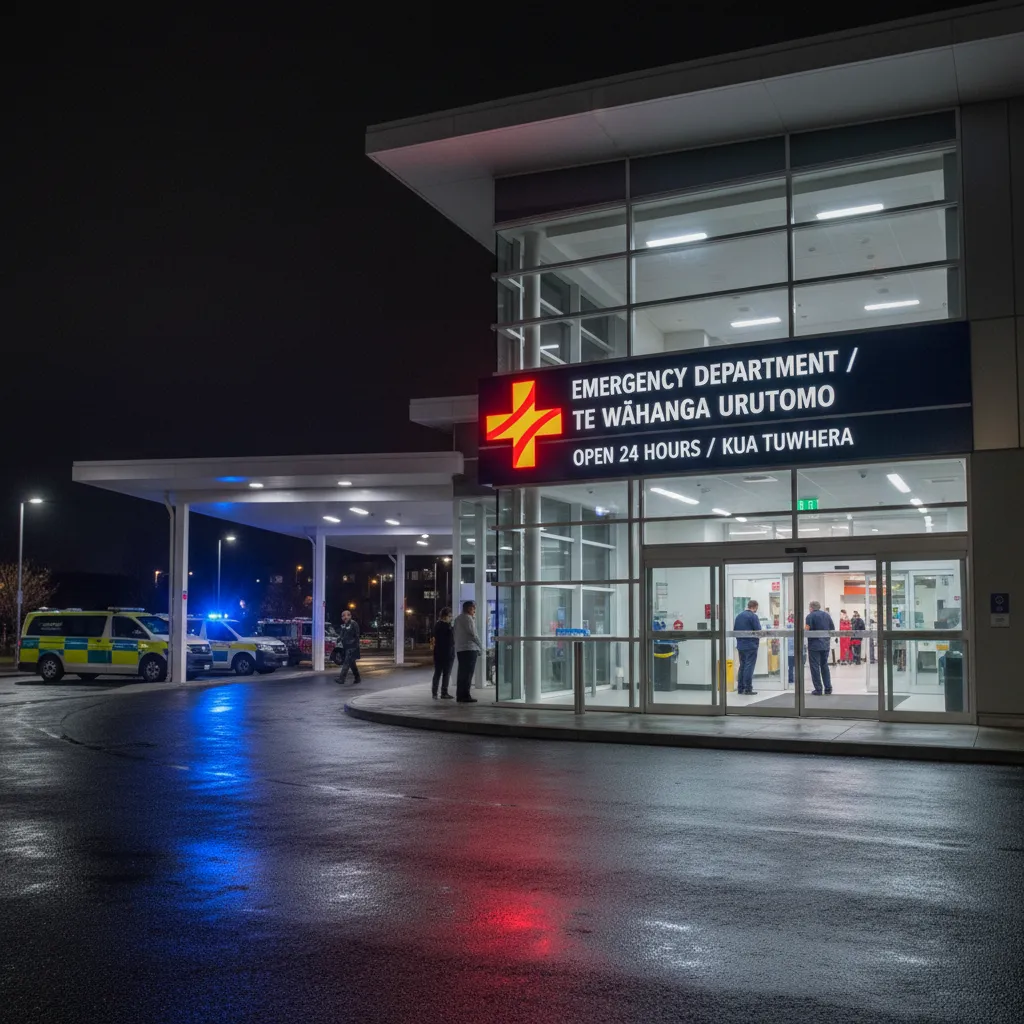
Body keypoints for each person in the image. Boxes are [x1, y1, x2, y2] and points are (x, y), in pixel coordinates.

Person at [453, 600, 482, 703]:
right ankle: (465, 695)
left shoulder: (458, 619)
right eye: (474, 608)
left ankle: (460, 695)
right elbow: (473, 634)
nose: (474, 611)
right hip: (469, 649)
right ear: (470, 608)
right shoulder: (468, 619)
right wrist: (481, 646)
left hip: (460, 649)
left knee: (462, 673)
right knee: (468, 673)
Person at [733, 599, 761, 696]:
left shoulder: (738, 616)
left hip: (740, 645)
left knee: (742, 666)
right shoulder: (753, 616)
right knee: (749, 667)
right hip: (751, 646)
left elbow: (735, 630)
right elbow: (758, 631)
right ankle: (748, 688)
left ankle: (740, 688)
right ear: (755, 607)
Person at [805, 600, 834, 695]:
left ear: (811, 608)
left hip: (814, 646)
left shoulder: (810, 616)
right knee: (824, 665)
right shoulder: (827, 615)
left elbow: (807, 631)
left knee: (815, 667)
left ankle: (818, 689)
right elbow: (832, 629)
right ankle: (828, 688)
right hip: (825, 644)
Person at [431, 607, 455, 699]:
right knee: (446, 674)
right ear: (445, 616)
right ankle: (444, 692)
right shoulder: (447, 627)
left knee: (437, 673)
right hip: (447, 653)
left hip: (438, 653)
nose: (451, 618)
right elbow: (451, 640)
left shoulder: (437, 625)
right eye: (449, 616)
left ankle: (434, 692)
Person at [334, 609, 361, 685]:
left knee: (346, 663)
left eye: (345, 616)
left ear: (350, 616)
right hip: (347, 647)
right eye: (342, 616)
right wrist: (339, 639)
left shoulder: (353, 624)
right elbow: (342, 635)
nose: (344, 618)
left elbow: (357, 635)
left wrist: (355, 646)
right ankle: (357, 677)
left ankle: (341, 679)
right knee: (352, 664)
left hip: (352, 647)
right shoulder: (345, 625)